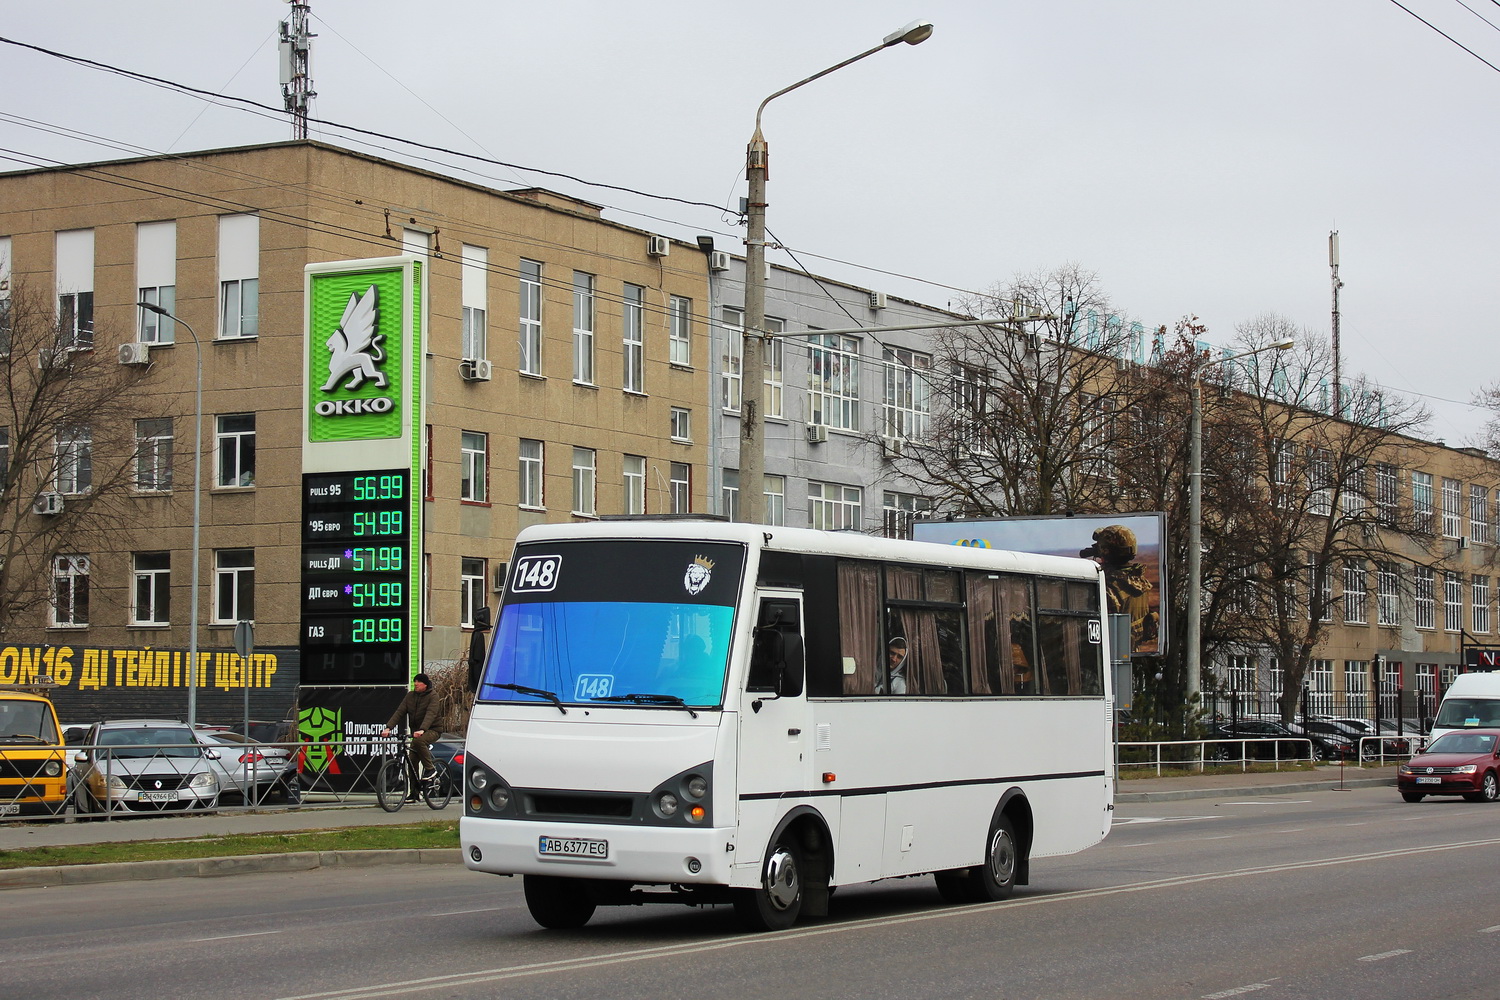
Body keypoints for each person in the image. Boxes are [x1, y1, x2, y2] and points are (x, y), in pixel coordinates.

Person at [1080, 524, 1158, 651]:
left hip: (1109, 654)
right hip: (1130, 651)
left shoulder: (1108, 587)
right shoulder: (1139, 581)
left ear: (1105, 551)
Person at [381, 673, 441, 781]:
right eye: (415, 681)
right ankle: (414, 793)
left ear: (425, 685)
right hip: (417, 732)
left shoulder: (433, 696)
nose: (416, 684)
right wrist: (388, 727)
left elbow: (430, 714)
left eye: (419, 682)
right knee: (412, 762)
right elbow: (399, 712)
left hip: (433, 729)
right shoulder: (410, 696)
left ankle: (430, 769)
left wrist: (423, 729)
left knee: (419, 742)